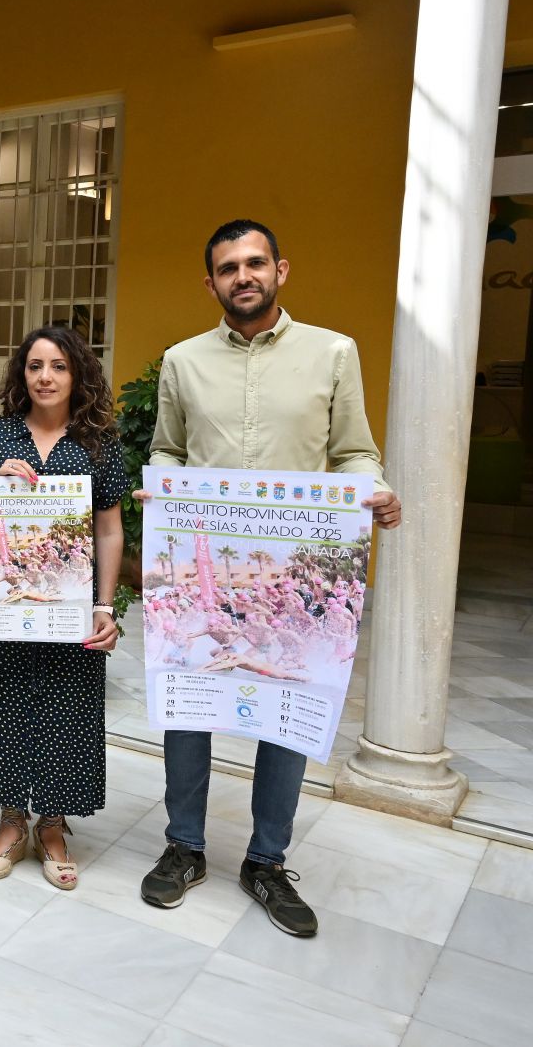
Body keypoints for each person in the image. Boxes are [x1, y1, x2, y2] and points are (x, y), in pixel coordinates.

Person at [138, 219, 401, 937]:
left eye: (255, 263)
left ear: (280, 270)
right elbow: (168, 449)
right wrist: (160, 489)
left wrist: (373, 490)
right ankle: (184, 846)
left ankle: (266, 860)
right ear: (211, 283)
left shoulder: (333, 352)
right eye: (228, 268)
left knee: (289, 699)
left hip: (290, 567)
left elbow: (354, 452)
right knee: (190, 693)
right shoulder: (183, 361)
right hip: (208, 566)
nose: (243, 276)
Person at [0, 325, 125, 889]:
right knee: (1, 703)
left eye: (58, 366)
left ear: (78, 375)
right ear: (21, 375)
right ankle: (10, 821)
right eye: (34, 366)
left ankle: (52, 825)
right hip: (5, 603)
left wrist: (104, 605)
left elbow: (109, 530)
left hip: (68, 605)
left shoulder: (99, 443)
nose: (45, 377)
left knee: (66, 709)